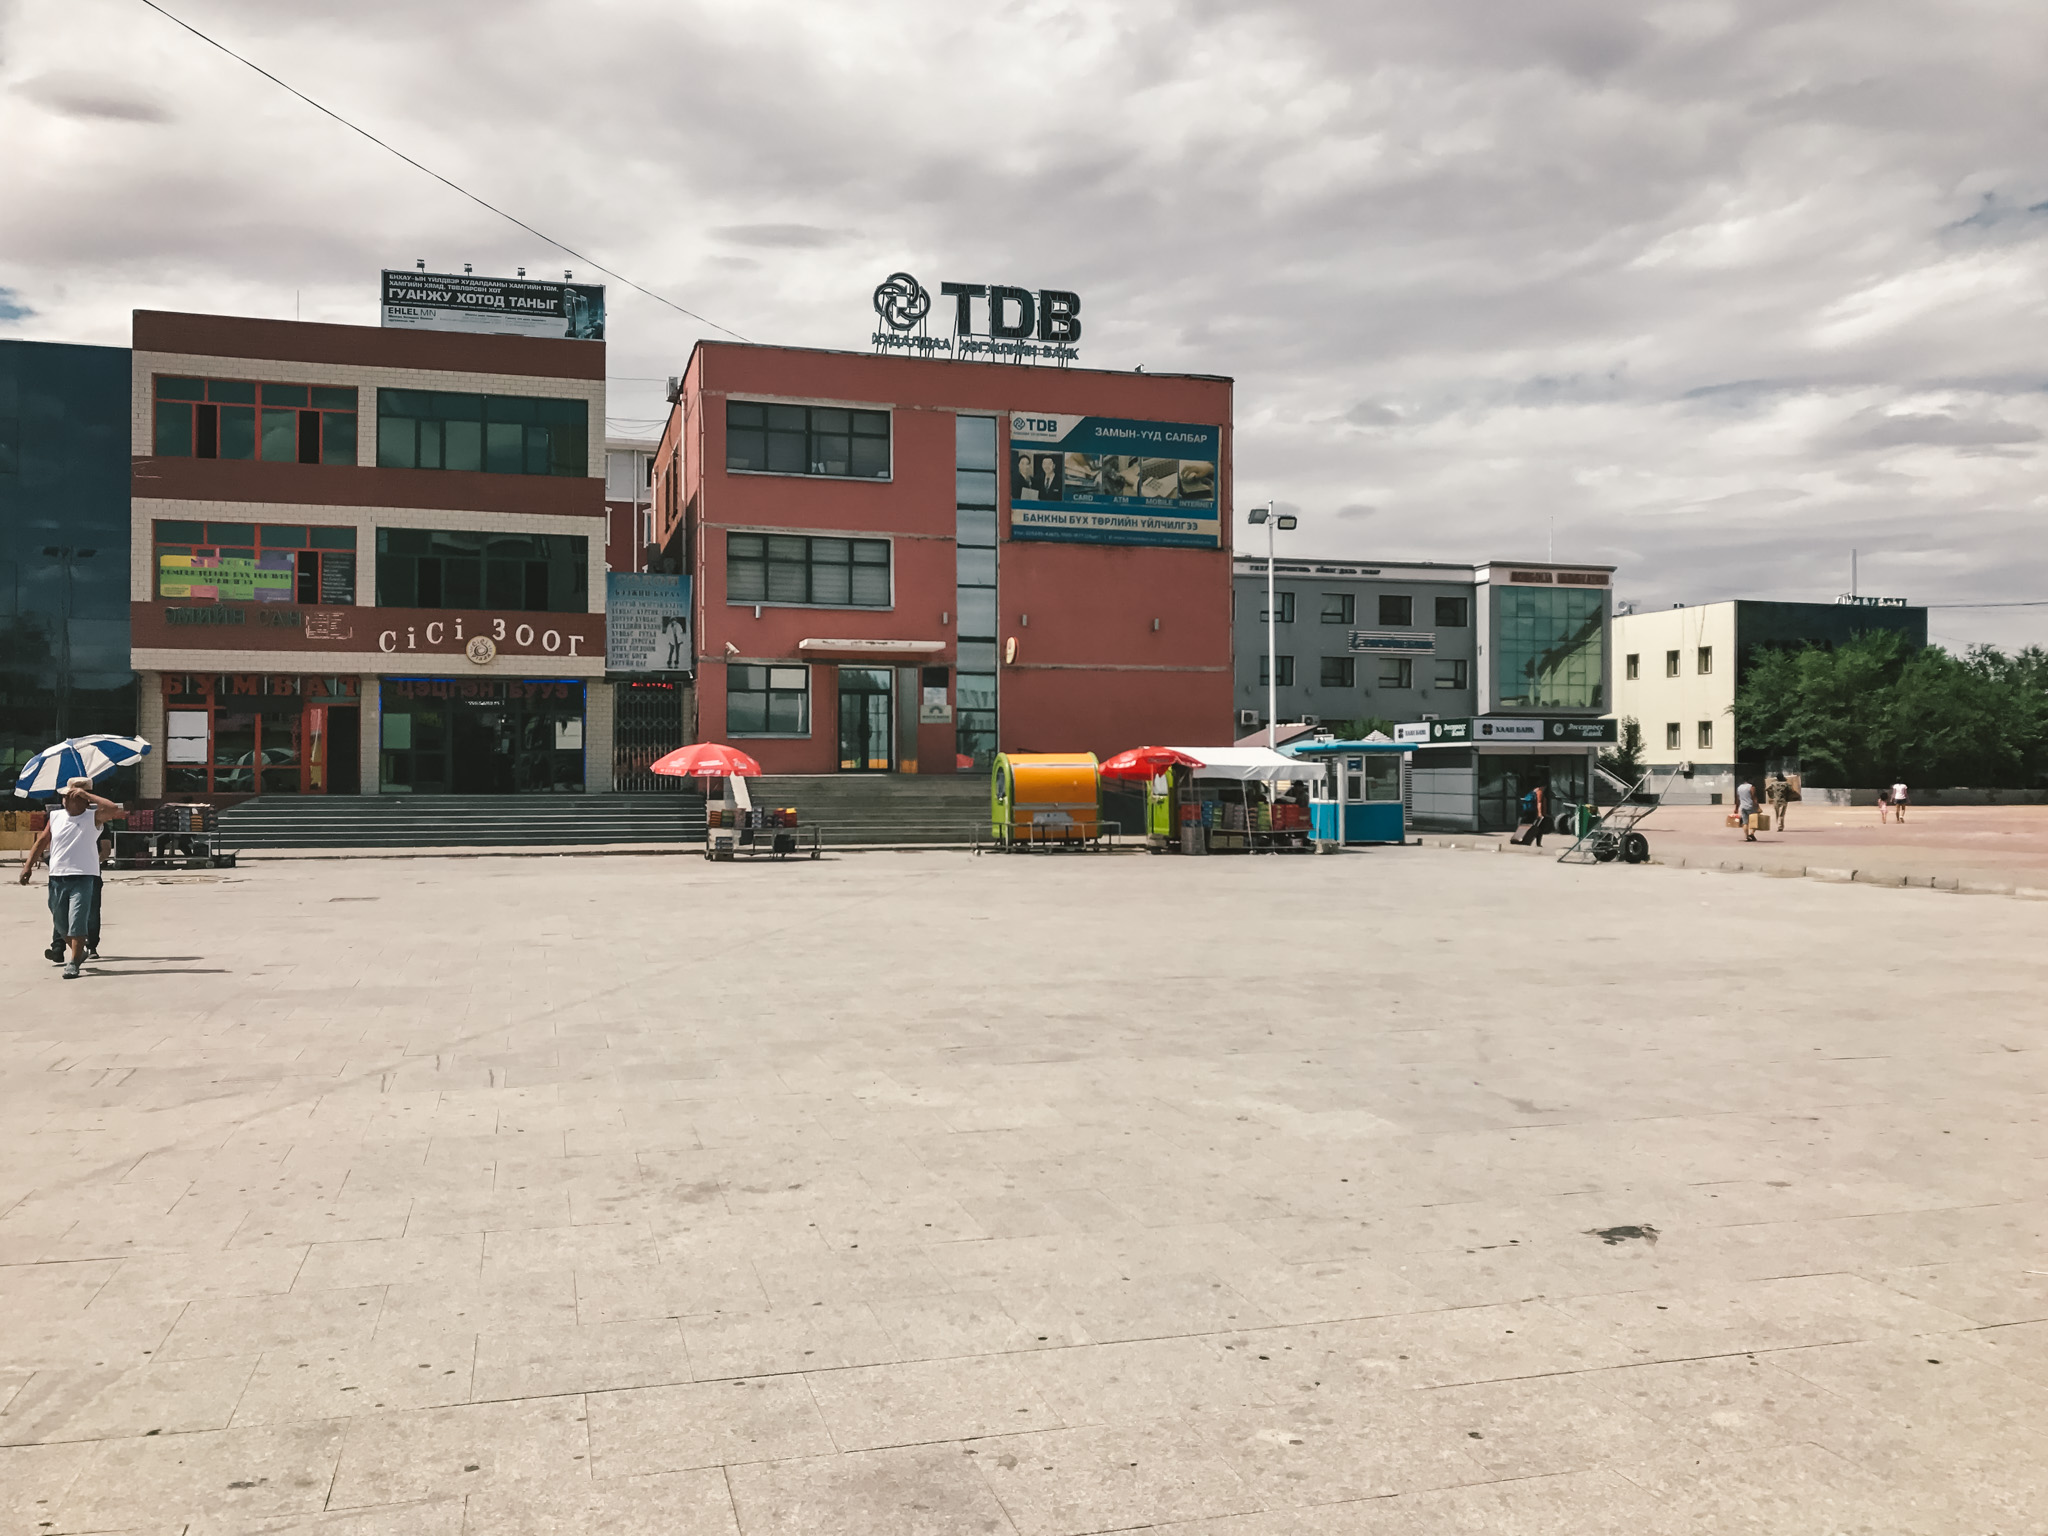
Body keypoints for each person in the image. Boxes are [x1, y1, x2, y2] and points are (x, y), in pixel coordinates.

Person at [20, 778, 121, 979]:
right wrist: (28, 867)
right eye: (65, 796)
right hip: (57, 876)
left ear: (84, 801)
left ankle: (73, 962)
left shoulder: (93, 817)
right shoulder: (56, 816)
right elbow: (41, 841)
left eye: (72, 797)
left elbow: (113, 808)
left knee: (77, 920)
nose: (66, 800)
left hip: (84, 877)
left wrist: (86, 795)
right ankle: (79, 951)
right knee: (59, 921)